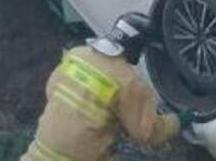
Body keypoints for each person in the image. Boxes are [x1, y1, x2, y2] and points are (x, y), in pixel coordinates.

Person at [21, 12, 194, 161]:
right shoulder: (128, 81)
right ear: (136, 46)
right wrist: (179, 121)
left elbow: (51, 90)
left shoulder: (76, 55)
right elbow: (149, 132)